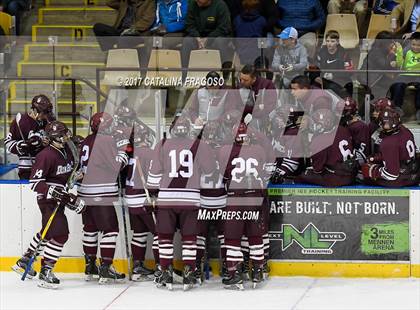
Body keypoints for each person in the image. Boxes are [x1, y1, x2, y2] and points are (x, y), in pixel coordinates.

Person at [12, 121, 85, 289]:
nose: (67, 136)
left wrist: (75, 179)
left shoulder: (66, 150)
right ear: (55, 138)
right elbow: (35, 183)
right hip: (47, 200)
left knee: (48, 231)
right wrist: (57, 193)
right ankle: (46, 270)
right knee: (60, 235)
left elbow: (66, 176)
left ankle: (25, 260)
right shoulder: (45, 155)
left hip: (60, 198)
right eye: (63, 134)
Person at [147, 116, 216, 291]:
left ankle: (166, 272)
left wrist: (153, 193)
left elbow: (154, 175)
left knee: (164, 238)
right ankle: (189, 272)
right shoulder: (199, 145)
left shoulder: (162, 144)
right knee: (190, 238)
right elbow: (210, 171)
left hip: (167, 199)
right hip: (191, 199)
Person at [77, 112, 129, 284]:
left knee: (90, 229)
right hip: (101, 191)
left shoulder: (86, 140)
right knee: (111, 229)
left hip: (85, 192)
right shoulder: (105, 140)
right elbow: (116, 166)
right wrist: (123, 155)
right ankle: (105, 267)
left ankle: (90, 266)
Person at [218, 122, 268, 290]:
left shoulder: (225, 150)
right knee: (255, 236)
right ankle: (257, 271)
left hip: (235, 199)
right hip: (254, 198)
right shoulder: (259, 150)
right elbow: (263, 172)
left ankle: (235, 274)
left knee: (232, 238)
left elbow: (224, 175)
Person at [124, 123, 159, 281]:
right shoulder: (150, 154)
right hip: (144, 199)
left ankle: (137, 267)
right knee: (160, 234)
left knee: (139, 233)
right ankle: (161, 267)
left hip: (130, 200)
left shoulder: (129, 155)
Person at [296, 108, 356, 186]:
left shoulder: (320, 139)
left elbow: (318, 169)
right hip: (350, 176)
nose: (314, 125)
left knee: (301, 177)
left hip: (334, 178)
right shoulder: (343, 130)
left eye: (316, 123)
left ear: (324, 123)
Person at [362, 108, 420, 186]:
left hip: (401, 179)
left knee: (365, 174)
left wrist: (374, 171)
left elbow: (391, 175)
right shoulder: (406, 131)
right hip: (414, 173)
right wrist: (380, 157)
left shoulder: (388, 143)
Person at [4, 95, 53, 180]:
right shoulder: (21, 121)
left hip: (46, 166)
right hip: (27, 169)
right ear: (34, 110)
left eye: (46, 113)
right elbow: (8, 142)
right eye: (43, 113)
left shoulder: (48, 120)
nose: (45, 116)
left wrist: (48, 142)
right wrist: (23, 145)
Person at [182, 0, 232, 69]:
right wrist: (197, 37)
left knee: (220, 41)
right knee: (187, 41)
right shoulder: (193, 4)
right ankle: (184, 74)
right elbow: (189, 25)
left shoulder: (220, 5)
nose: (197, 0)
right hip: (198, 38)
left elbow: (224, 27)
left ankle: (225, 73)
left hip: (215, 37)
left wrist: (209, 38)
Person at [389, 32, 420, 121]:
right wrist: (399, 52)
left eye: (418, 45)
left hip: (418, 75)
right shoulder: (407, 52)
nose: (416, 47)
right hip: (405, 74)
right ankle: (397, 108)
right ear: (410, 43)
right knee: (397, 84)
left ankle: (419, 109)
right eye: (414, 44)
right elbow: (399, 63)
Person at [235, 64, 276, 131]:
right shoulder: (240, 87)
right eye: (241, 79)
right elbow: (238, 106)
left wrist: (252, 113)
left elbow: (269, 107)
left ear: (254, 79)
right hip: (244, 117)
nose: (242, 82)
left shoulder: (267, 85)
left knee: (254, 123)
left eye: (245, 80)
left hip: (263, 118)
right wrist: (258, 107)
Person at [358, 31, 397, 100]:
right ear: (384, 42)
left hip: (378, 76)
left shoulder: (384, 50)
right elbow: (384, 65)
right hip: (370, 78)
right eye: (390, 41)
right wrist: (392, 54)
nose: (392, 43)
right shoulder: (375, 51)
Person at [337, 97, 370, 165]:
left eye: (343, 111)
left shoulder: (360, 127)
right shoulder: (344, 123)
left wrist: (356, 163)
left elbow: (363, 149)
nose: (340, 114)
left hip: (353, 163)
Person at [233, 0, 268, 65]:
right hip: (257, 54)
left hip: (241, 53)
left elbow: (235, 38)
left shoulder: (237, 19)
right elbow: (263, 39)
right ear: (257, 7)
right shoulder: (262, 20)